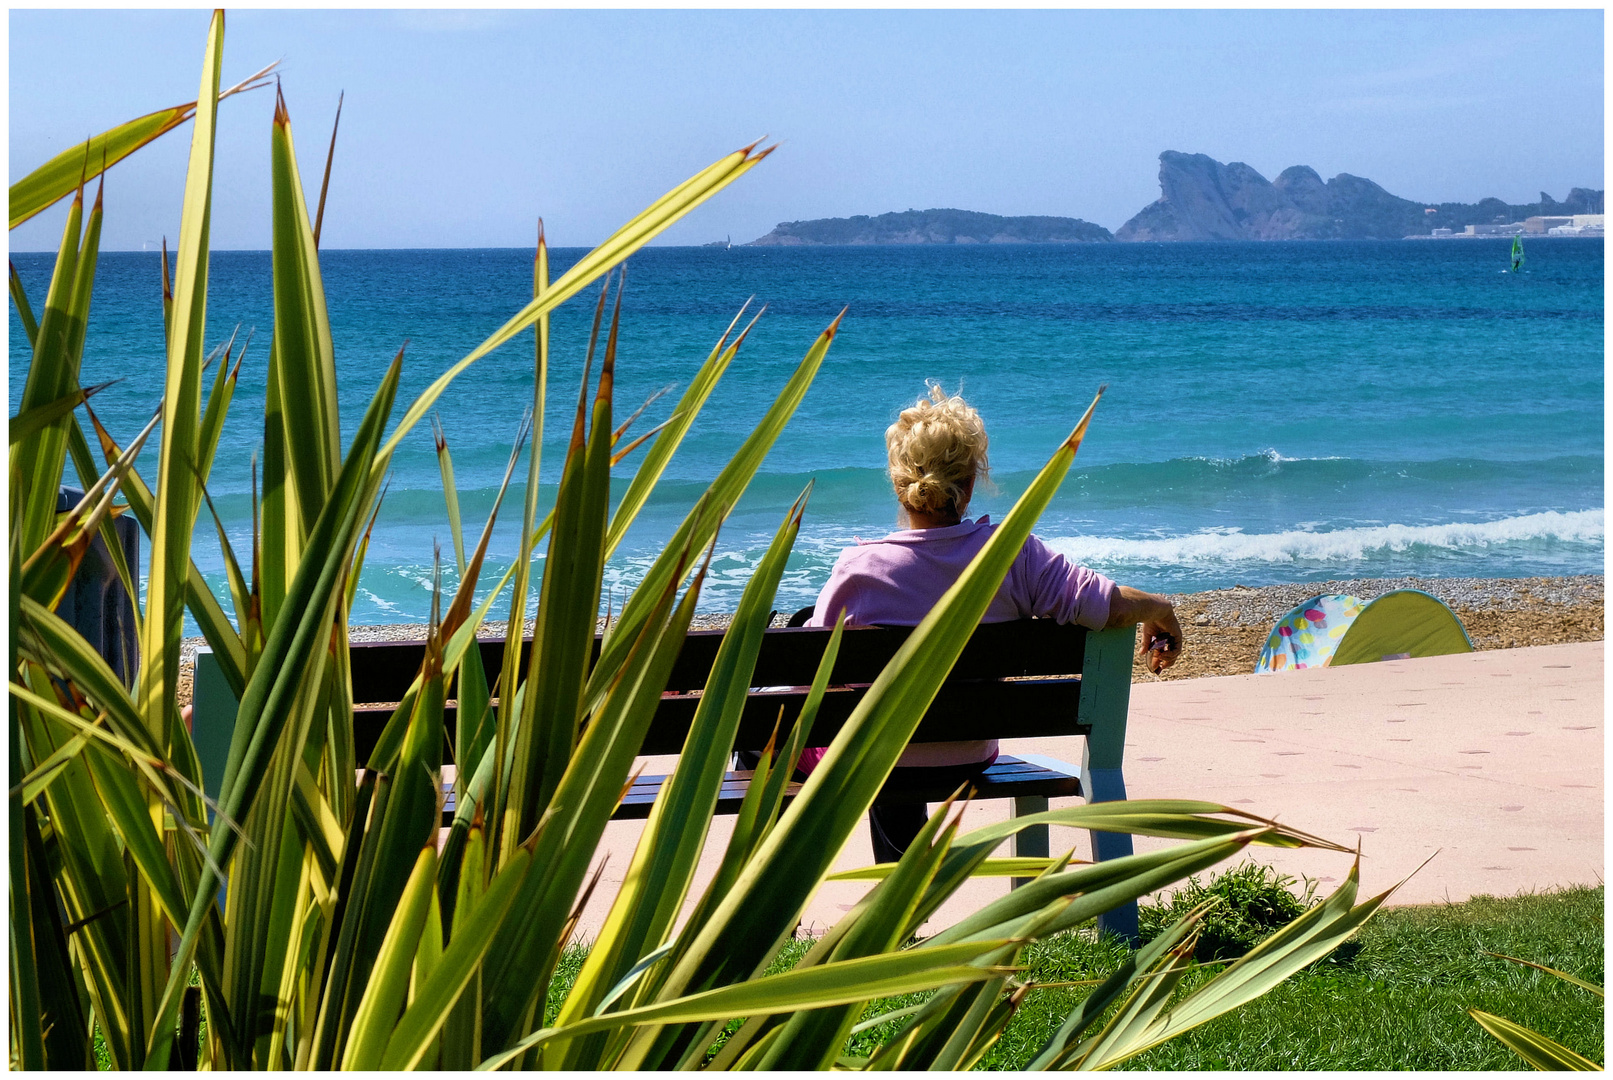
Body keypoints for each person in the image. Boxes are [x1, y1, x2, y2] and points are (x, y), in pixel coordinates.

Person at [797, 381, 1183, 863]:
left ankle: (781, 921)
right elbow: (1109, 605)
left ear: (899, 484)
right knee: (899, 740)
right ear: (972, 481)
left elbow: (811, 678)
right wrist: (1161, 610)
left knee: (773, 747)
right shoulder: (1013, 555)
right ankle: (902, 905)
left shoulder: (857, 569)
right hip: (969, 753)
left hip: (878, 759)